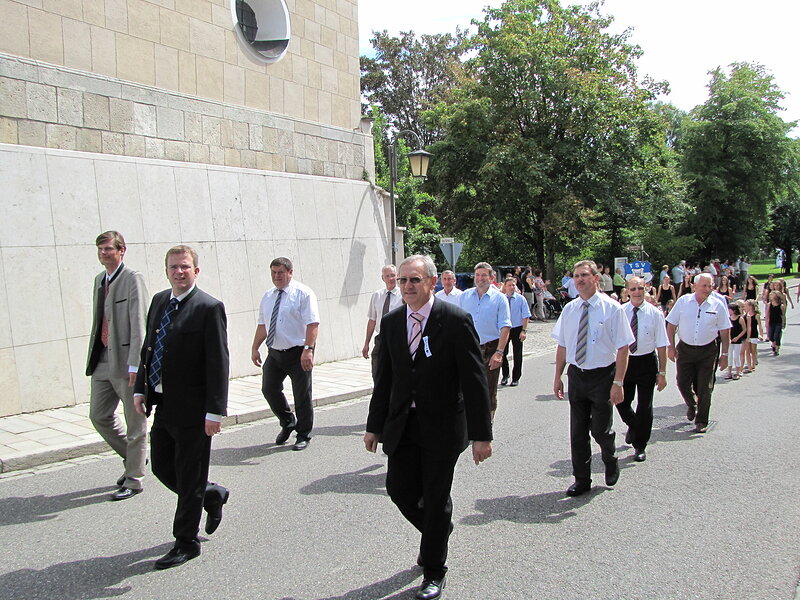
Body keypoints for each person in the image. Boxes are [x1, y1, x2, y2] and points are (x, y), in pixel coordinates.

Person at [364, 254, 492, 600]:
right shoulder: (391, 323)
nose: (407, 286)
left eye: (414, 280)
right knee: (399, 489)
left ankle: (434, 569)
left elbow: (475, 380)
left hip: (443, 426)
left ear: (432, 282)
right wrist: (374, 426)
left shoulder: (454, 320)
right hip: (403, 424)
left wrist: (482, 435)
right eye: (403, 280)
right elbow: (385, 380)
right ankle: (437, 531)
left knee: (435, 496)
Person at [133, 245, 230, 570]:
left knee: (189, 476)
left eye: (185, 267)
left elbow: (218, 363)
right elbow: (150, 348)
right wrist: (140, 389)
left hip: (195, 410)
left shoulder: (208, 307)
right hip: (164, 404)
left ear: (195, 271)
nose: (179, 272)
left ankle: (186, 542)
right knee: (161, 466)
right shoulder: (160, 301)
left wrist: (214, 412)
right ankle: (210, 494)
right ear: (167, 270)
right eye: (173, 267)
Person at [552, 260, 633, 496]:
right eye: (576, 276)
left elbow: (623, 347)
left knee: (600, 430)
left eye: (584, 275)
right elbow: (563, 345)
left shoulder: (612, 309)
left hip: (602, 376)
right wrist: (557, 376)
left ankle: (610, 457)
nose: (579, 280)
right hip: (577, 375)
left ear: (595, 278)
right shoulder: (570, 309)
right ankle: (582, 479)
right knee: (577, 433)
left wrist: (618, 382)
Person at [86, 231, 149, 501]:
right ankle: (134, 457)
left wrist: (136, 364)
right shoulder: (100, 280)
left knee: (135, 421)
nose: (103, 253)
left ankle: (134, 480)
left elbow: (139, 325)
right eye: (100, 249)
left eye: (108, 249)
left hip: (126, 363)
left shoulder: (132, 279)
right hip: (101, 359)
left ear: (122, 250)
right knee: (99, 416)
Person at [251, 257, 320, 451]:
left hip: (298, 352)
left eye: (280, 272)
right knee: (269, 389)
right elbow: (263, 325)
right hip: (275, 352)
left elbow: (312, 324)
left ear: (290, 272)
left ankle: (304, 434)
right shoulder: (268, 296)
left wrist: (308, 350)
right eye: (273, 273)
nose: (276, 276)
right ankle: (288, 421)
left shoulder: (303, 293)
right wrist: (255, 347)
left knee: (302, 395)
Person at [665, 273, 731, 434]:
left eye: (710, 286)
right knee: (682, 382)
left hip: (708, 350)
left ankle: (701, 420)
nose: (708, 289)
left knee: (705, 387)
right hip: (685, 349)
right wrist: (671, 347)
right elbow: (671, 325)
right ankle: (691, 404)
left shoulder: (718, 304)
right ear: (695, 286)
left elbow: (725, 331)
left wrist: (725, 355)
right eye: (704, 286)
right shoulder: (683, 302)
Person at [617, 277, 668, 463]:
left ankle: (640, 445)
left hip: (647, 362)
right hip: (626, 362)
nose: (637, 292)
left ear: (646, 289)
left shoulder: (655, 314)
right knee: (621, 402)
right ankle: (634, 425)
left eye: (640, 288)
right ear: (627, 291)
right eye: (633, 288)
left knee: (645, 406)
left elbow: (662, 345)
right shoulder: (620, 312)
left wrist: (662, 373)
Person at [459, 262, 511, 420]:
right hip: (469, 347)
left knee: (488, 388)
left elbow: (505, 327)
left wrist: (499, 352)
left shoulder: (500, 298)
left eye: (483, 275)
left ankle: (487, 423)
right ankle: (469, 422)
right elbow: (459, 324)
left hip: (491, 347)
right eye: (477, 275)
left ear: (491, 277)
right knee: (467, 387)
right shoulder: (465, 296)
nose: (480, 279)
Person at [362, 265, 404, 379]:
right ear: (382, 278)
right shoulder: (377, 295)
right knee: (377, 370)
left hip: (397, 339)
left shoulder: (404, 295)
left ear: (397, 276)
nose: (390, 278)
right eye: (387, 276)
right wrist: (366, 343)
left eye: (393, 275)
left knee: (396, 373)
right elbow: (372, 320)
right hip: (381, 338)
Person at [500, 276, 531, 386]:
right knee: (502, 353)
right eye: (510, 285)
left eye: (514, 285)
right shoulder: (501, 298)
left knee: (517, 354)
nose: (512, 287)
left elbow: (526, 315)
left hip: (517, 328)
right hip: (504, 328)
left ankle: (516, 377)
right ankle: (505, 375)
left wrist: (524, 330)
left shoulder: (520, 299)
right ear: (505, 286)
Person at [725, 303, 746, 380]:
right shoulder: (729, 318)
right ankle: (729, 372)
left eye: (730, 309)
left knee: (736, 356)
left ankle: (738, 372)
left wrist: (737, 337)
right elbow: (728, 329)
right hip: (730, 340)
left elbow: (744, 330)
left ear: (733, 310)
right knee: (729, 356)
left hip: (738, 340)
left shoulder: (740, 318)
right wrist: (729, 338)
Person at [743, 299, 763, 373]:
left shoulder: (756, 315)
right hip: (747, 335)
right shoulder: (745, 315)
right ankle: (749, 365)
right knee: (747, 350)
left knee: (753, 350)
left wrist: (761, 334)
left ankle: (753, 363)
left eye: (746, 305)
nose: (745, 307)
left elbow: (760, 326)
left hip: (754, 334)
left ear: (751, 306)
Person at [765, 291, 785, 356]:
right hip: (771, 322)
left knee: (777, 336)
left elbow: (783, 315)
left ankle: (776, 349)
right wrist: (766, 322)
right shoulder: (769, 304)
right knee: (771, 336)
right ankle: (773, 344)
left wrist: (783, 323)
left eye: (773, 295)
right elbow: (767, 314)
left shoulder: (781, 305)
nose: (771, 296)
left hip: (778, 322)